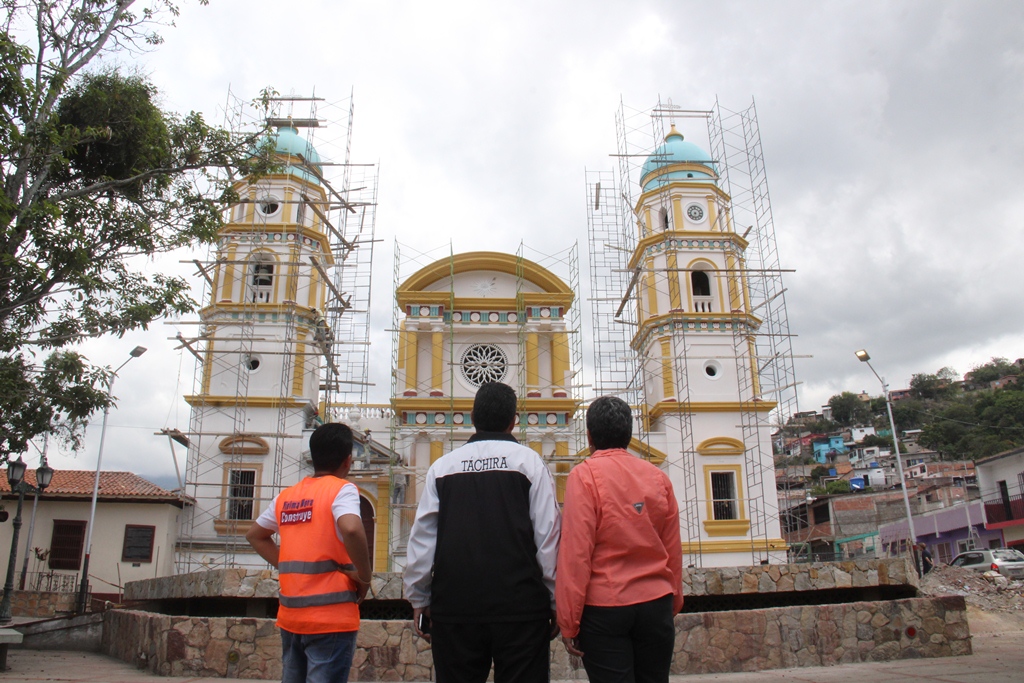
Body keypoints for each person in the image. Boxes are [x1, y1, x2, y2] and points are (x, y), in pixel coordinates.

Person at [404, 382, 561, 683]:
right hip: (521, 609)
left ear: (472, 416)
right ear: (514, 420)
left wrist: (419, 599)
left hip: (455, 609)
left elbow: (422, 540)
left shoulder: (442, 467)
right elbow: (548, 538)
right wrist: (554, 601)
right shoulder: (530, 464)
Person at [556, 395, 683, 683]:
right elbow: (672, 547)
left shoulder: (583, 476)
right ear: (629, 433)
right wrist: (672, 601)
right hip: (656, 603)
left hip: (605, 608)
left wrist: (569, 622)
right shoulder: (657, 477)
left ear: (589, 435)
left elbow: (576, 554)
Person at [246, 422, 371, 683]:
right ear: (348, 461)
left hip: (291, 616)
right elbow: (351, 529)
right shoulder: (341, 489)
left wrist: (289, 565)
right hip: (331, 618)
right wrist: (364, 576)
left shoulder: (287, 497)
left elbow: (255, 535)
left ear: (313, 457)